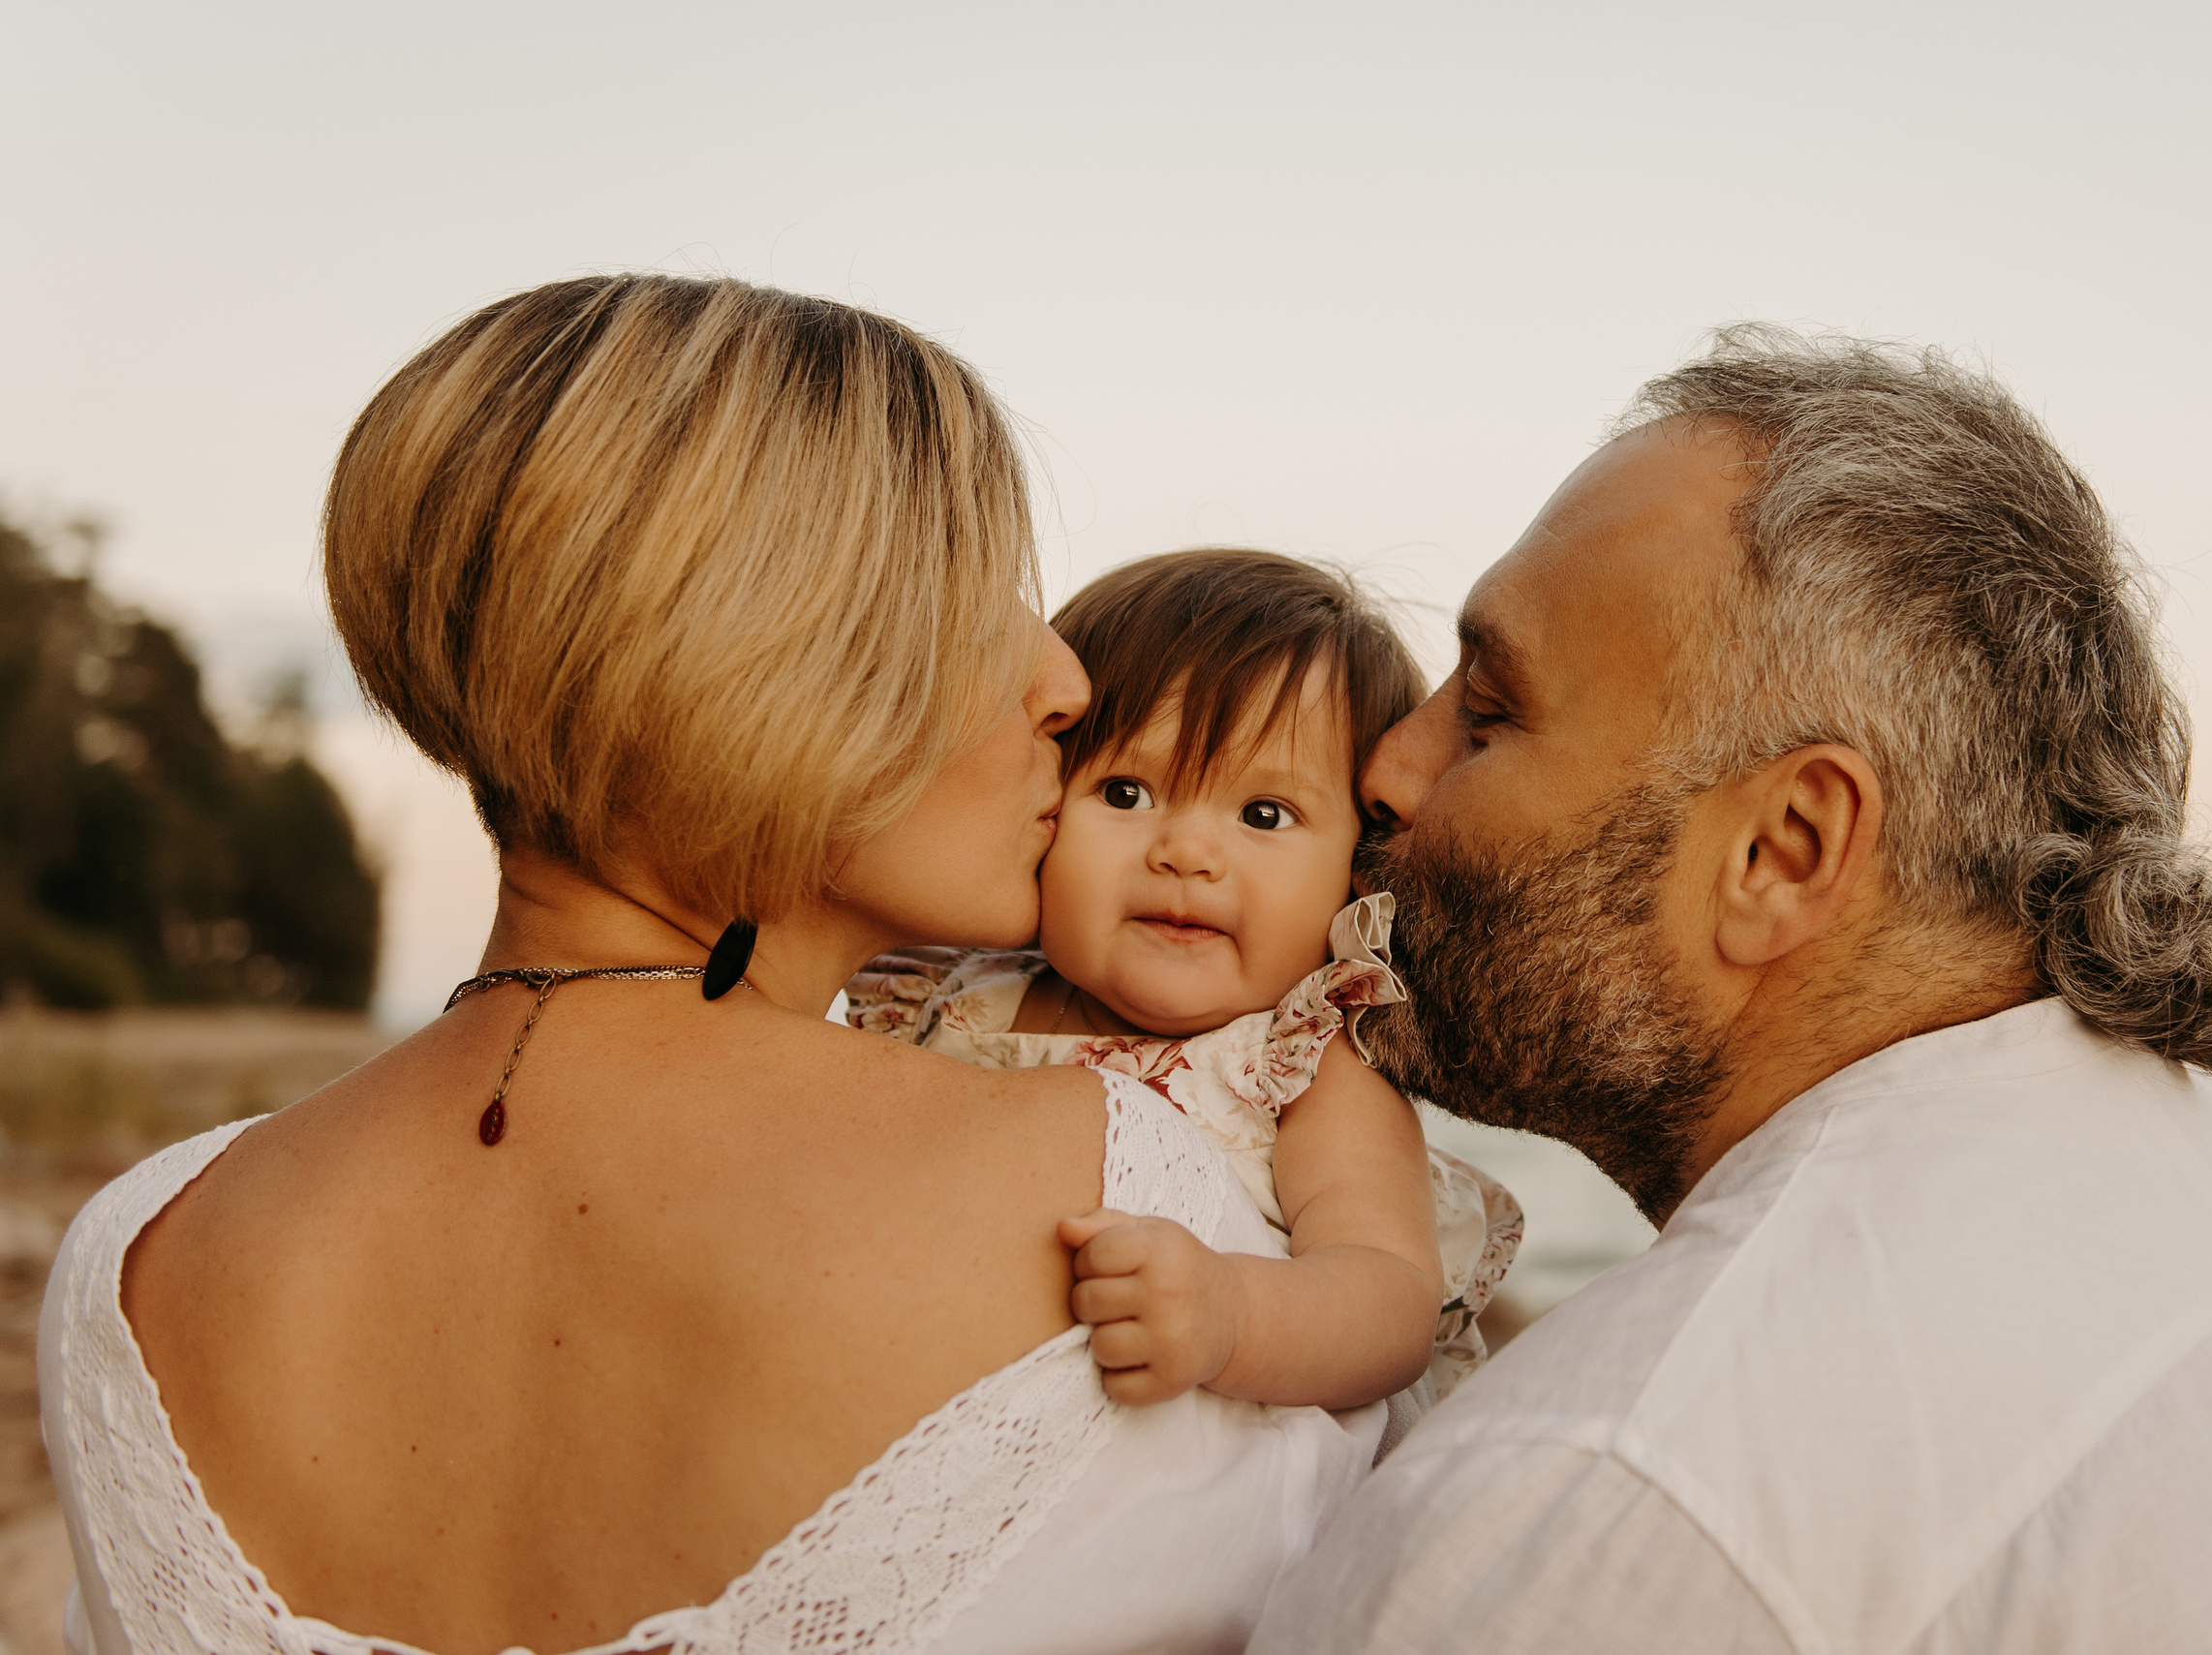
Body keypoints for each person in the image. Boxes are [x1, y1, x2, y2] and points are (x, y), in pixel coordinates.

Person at [40, 273, 1383, 1655]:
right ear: (770, 654)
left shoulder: (139, 1255)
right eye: (982, 591)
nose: (1062, 681)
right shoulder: (1123, 1206)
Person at [1252, 327, 2212, 1652]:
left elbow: (1677, 1479)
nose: (1386, 765)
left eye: (1487, 715)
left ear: (1783, 852)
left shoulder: (1592, 1494)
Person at [845, 549, 1521, 1432]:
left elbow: (1389, 1300)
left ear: (1356, 868)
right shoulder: (941, 995)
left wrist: (1231, 1312)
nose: (1187, 853)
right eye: (1126, 792)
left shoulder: (1304, 1066)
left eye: (1264, 814)